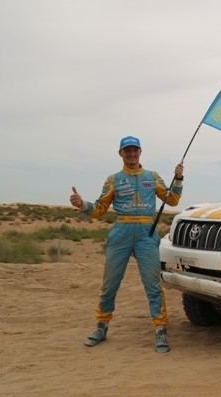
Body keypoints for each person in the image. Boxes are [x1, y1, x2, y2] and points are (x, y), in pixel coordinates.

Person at [70, 136, 184, 353]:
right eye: (127, 150)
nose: (131, 154)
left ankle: (160, 330)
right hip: (121, 232)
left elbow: (172, 200)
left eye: (134, 150)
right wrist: (82, 204)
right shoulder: (113, 179)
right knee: (110, 283)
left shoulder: (152, 177)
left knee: (153, 284)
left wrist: (178, 179)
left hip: (146, 234)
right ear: (120, 153)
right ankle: (101, 327)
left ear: (140, 151)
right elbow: (99, 210)